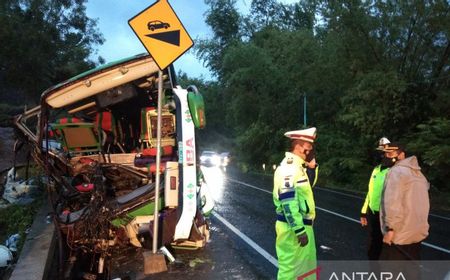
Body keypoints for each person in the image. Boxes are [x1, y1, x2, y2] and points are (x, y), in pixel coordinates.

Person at [273, 127, 319, 280]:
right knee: (290, 272)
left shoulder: (299, 167)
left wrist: (312, 167)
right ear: (299, 147)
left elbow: (307, 188)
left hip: (303, 225)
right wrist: (299, 230)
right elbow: (287, 201)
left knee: (306, 271)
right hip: (293, 228)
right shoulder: (289, 168)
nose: (311, 150)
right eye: (309, 146)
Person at [380, 142, 430, 260]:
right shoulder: (419, 174)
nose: (387, 156)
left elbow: (392, 203)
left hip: (399, 235)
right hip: (416, 233)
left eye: (390, 153)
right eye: (385, 153)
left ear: (401, 155)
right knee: (412, 270)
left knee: (390, 271)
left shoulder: (396, 172)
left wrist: (390, 229)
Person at [360, 137, 391, 260]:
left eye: (384, 152)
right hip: (373, 214)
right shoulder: (376, 170)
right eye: (380, 152)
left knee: (387, 248)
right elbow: (370, 192)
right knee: (373, 247)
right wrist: (363, 211)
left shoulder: (394, 171)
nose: (382, 155)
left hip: (387, 216)